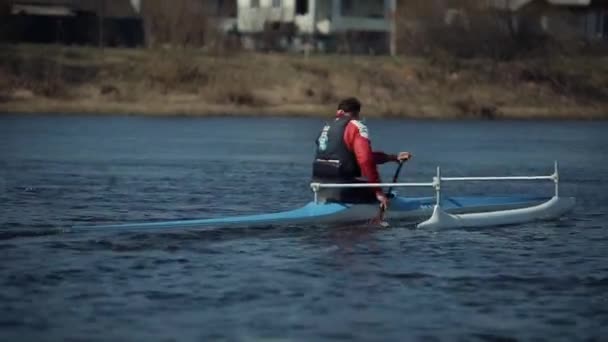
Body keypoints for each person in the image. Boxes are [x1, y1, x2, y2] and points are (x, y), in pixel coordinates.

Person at [312, 97, 411, 209]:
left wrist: (393, 158)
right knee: (387, 195)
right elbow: (365, 160)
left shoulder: (326, 127)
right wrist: (378, 192)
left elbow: (357, 156)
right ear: (356, 113)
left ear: (339, 112)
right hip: (346, 189)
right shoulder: (356, 126)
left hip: (320, 188)